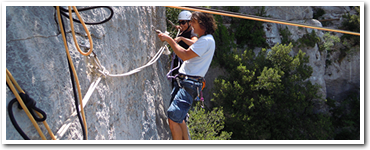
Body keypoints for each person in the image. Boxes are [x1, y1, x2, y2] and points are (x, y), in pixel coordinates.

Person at [158, 11, 217, 140]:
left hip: (188, 83)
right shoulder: (207, 40)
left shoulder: (205, 41)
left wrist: (169, 40)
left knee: (173, 116)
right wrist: (180, 38)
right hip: (187, 83)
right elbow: (194, 45)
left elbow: (184, 54)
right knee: (180, 116)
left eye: (193, 22)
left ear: (202, 24)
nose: (192, 25)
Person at [169, 10, 198, 88]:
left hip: (182, 69)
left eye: (183, 22)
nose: (181, 25)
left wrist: (182, 38)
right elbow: (182, 29)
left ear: (190, 22)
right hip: (177, 66)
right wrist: (179, 28)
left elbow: (195, 43)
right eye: (180, 22)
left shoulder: (192, 33)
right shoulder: (184, 30)